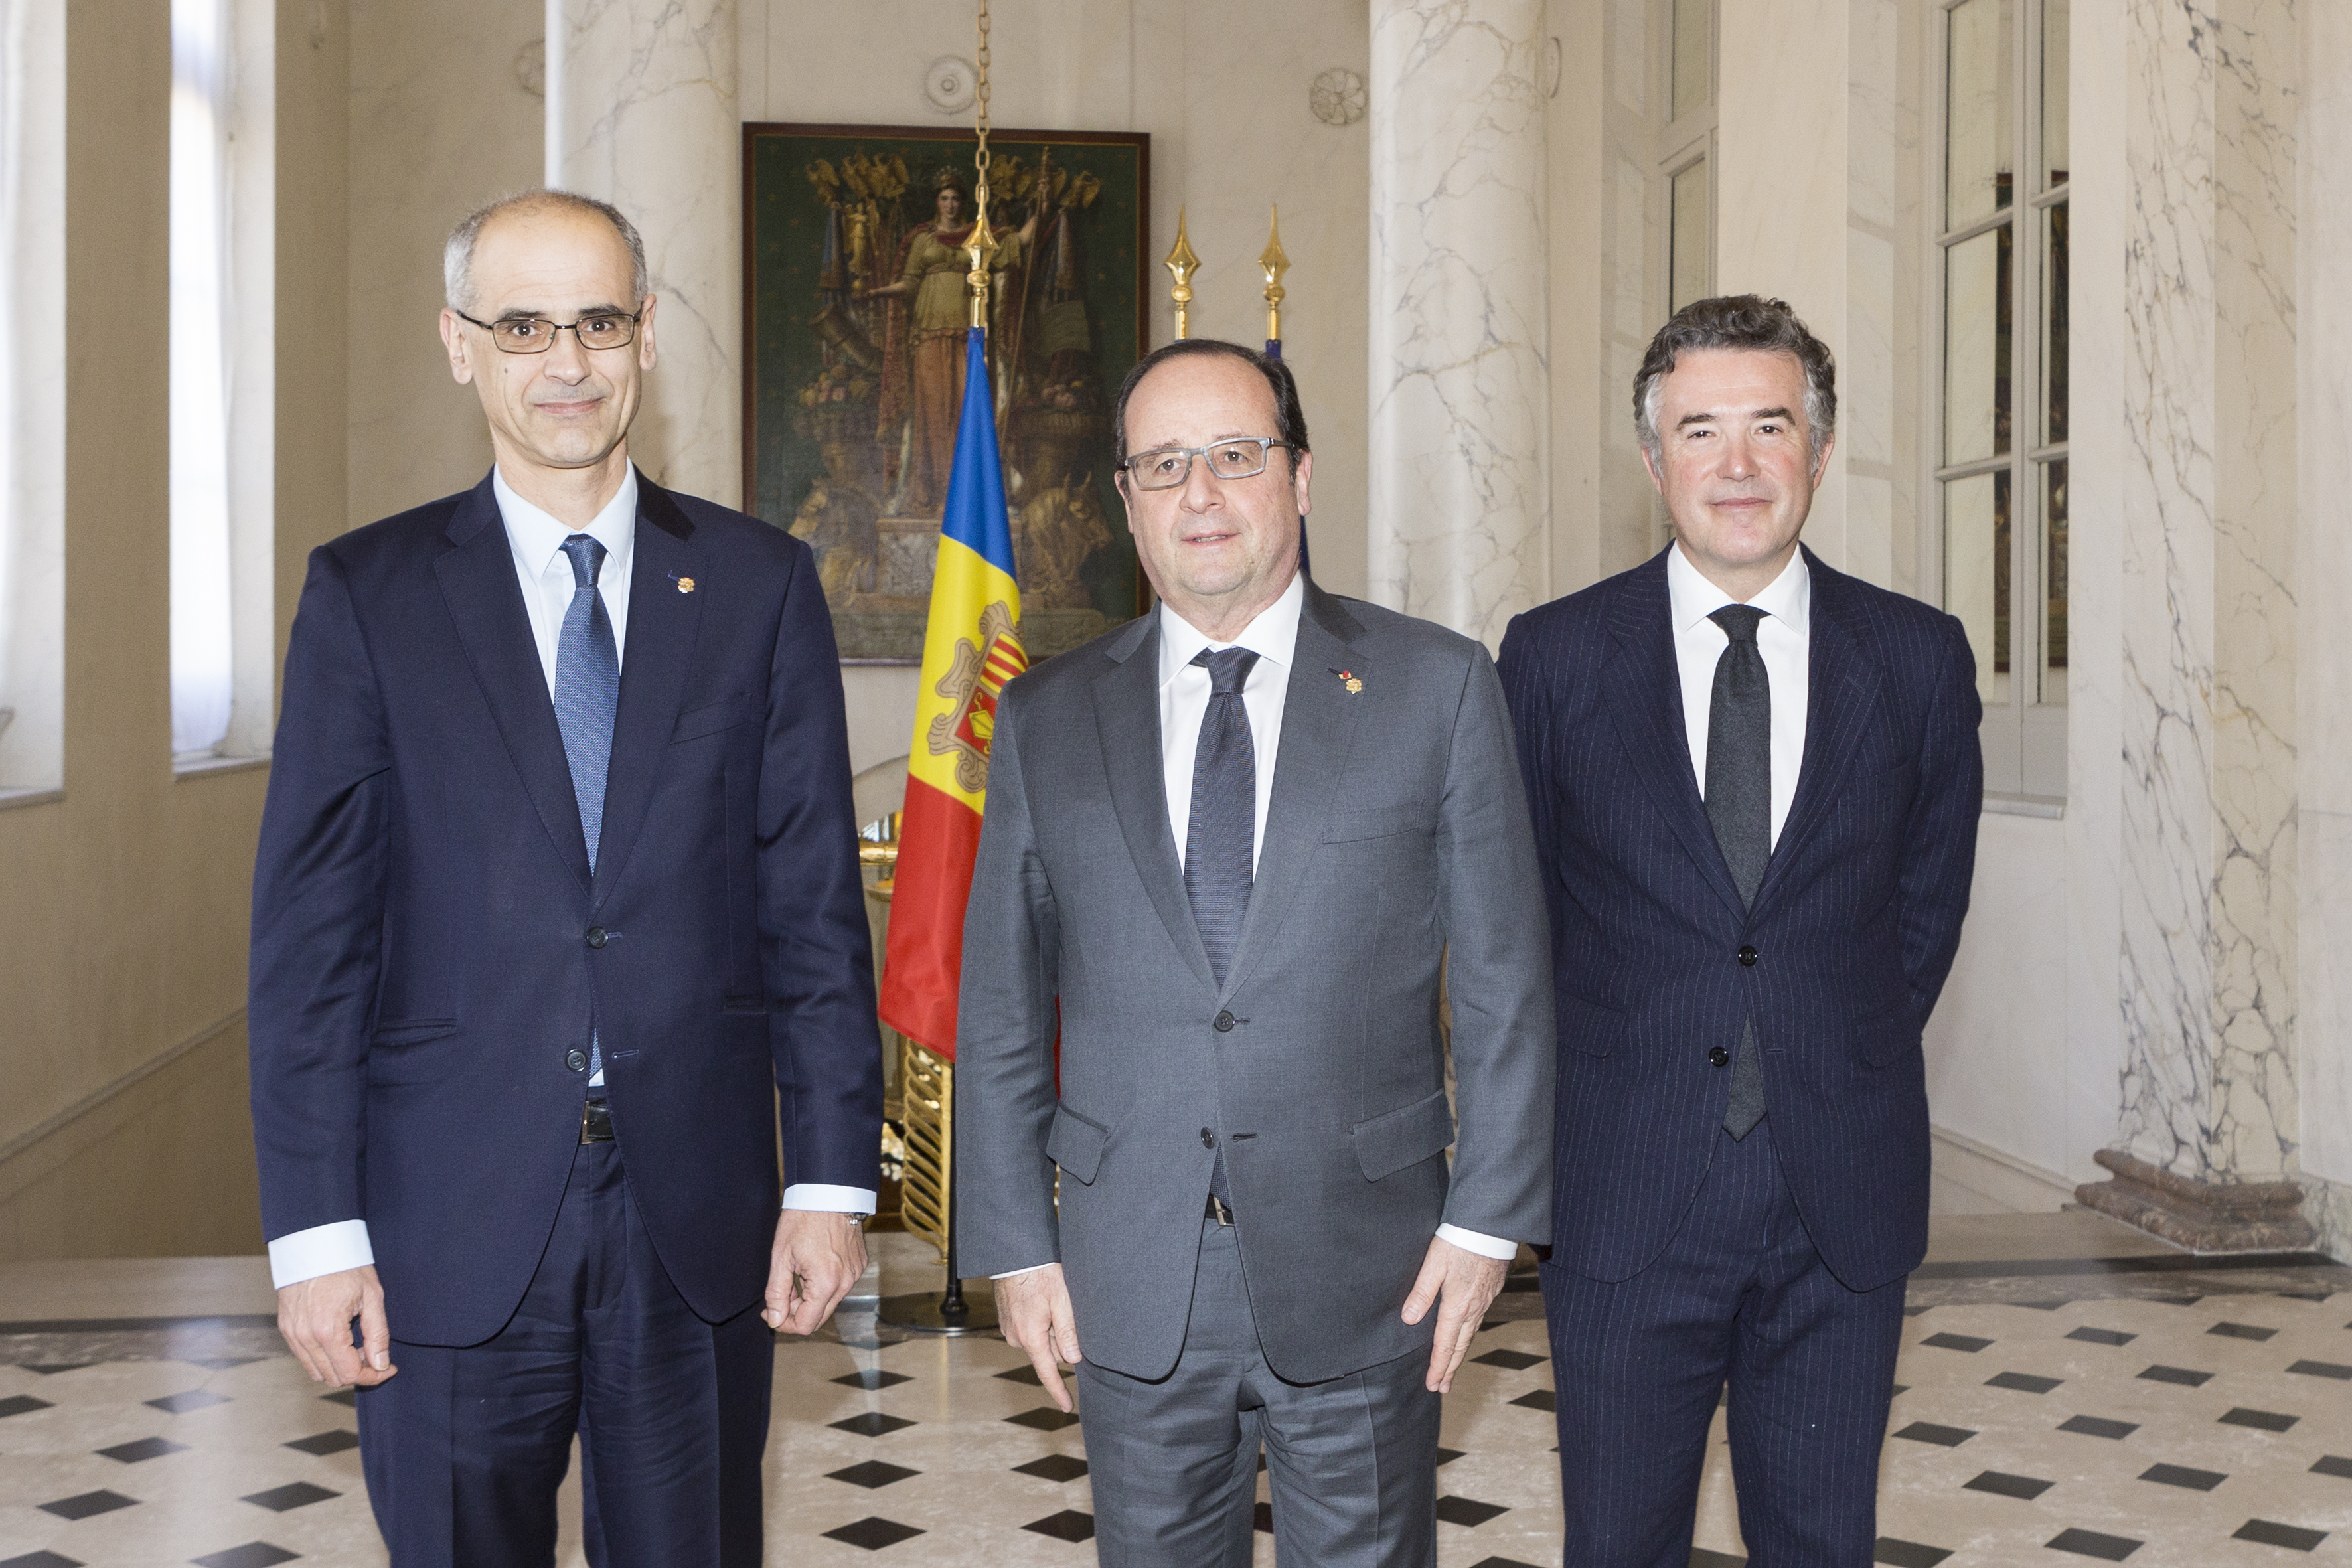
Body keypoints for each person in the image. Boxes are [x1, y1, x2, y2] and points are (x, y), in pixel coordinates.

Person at [248, 190, 884, 1566]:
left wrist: (830, 1185)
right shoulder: (369, 595)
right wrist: (314, 1231)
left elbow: (812, 914)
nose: (567, 362)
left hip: (695, 1218)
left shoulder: (761, 585)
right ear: (458, 343)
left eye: (597, 321)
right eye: (523, 326)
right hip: (445, 1219)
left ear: (645, 334)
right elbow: (312, 949)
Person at [956, 338, 1555, 1567]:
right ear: (1125, 499)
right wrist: (1015, 1241)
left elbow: (1507, 979)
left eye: (1236, 454)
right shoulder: (1045, 715)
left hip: (1373, 1266)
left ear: (1301, 475)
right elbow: (1004, 1005)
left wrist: (1488, 1223)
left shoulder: (1435, 686)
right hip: (1129, 1273)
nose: (1201, 493)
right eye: (1163, 464)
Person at [1496, 295, 1983, 1567]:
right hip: (1623, 1186)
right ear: (1652, 459)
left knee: (1823, 1541)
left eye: (1770, 426)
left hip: (1841, 1190)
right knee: (1619, 1541)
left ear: (1820, 449)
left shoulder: (1919, 659)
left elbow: (1924, 912)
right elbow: (1515, 921)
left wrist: (1829, 1048)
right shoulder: (1551, 658)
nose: (1738, 463)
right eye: (1700, 430)